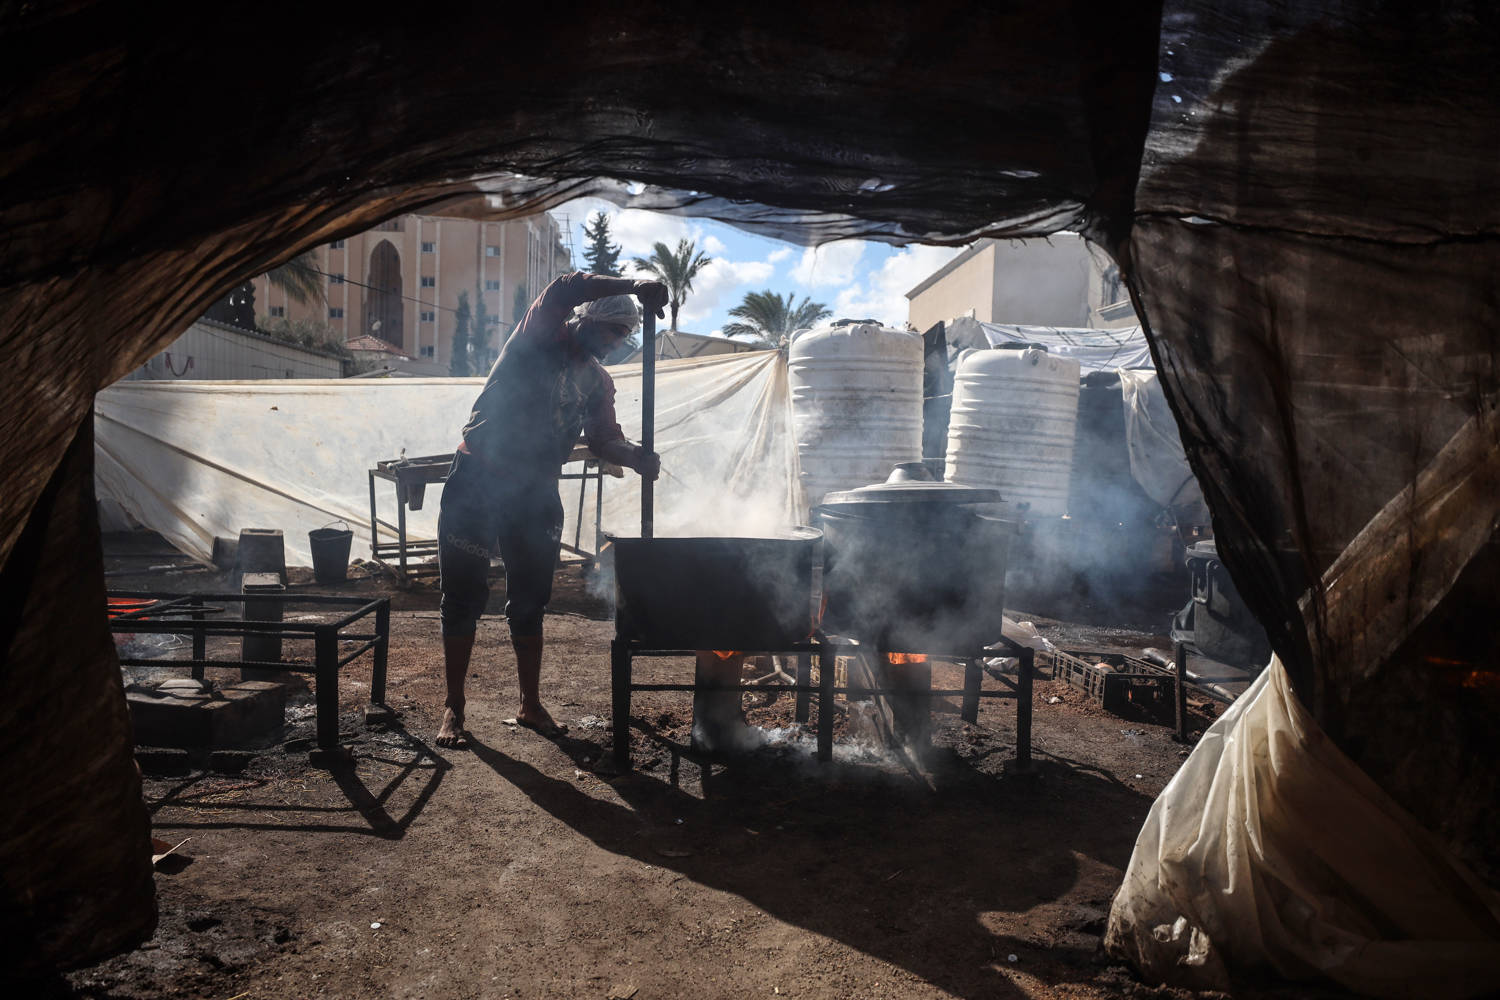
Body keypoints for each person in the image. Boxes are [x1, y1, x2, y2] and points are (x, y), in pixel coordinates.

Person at [435, 272, 667, 747]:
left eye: (622, 337)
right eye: (611, 332)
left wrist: (635, 457)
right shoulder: (540, 335)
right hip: (478, 476)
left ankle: (529, 704)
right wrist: (635, 283)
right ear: (590, 319)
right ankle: (453, 708)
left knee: (530, 600)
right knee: (461, 598)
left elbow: (604, 440)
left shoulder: (598, 382)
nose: (613, 344)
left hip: (535, 490)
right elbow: (564, 286)